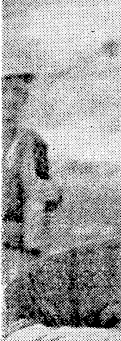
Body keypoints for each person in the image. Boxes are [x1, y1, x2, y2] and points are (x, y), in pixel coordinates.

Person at [2, 62, 62, 291]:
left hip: (18, 245)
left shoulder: (33, 142)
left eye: (18, 91)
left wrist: (51, 192)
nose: (11, 99)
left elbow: (44, 192)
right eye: (3, 90)